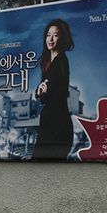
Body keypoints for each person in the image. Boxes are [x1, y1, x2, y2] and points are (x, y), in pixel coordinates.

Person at [34, 19, 75, 159]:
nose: (50, 39)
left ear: (62, 38)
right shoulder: (47, 62)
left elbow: (49, 94)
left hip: (58, 124)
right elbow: (41, 90)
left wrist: (42, 93)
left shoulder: (60, 62)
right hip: (51, 123)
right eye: (48, 35)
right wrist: (40, 92)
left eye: (55, 35)